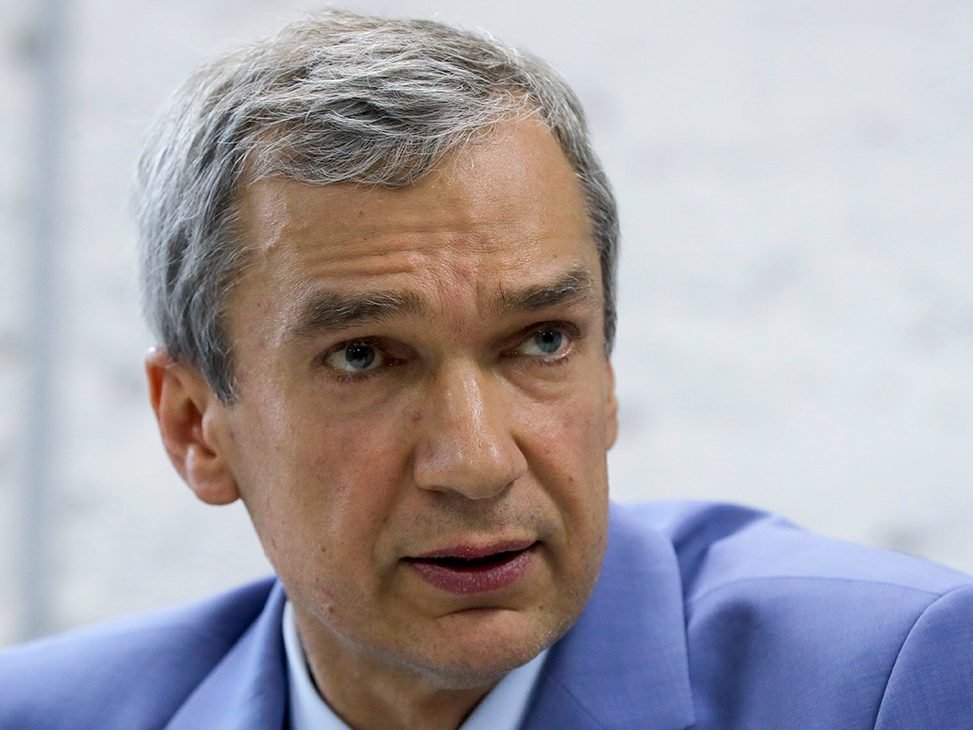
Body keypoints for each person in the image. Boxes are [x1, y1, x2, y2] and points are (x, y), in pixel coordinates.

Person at [1, 10, 971, 730]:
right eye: (363, 357)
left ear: (606, 379)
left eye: (542, 341)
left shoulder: (885, 682)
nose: (475, 462)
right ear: (194, 428)